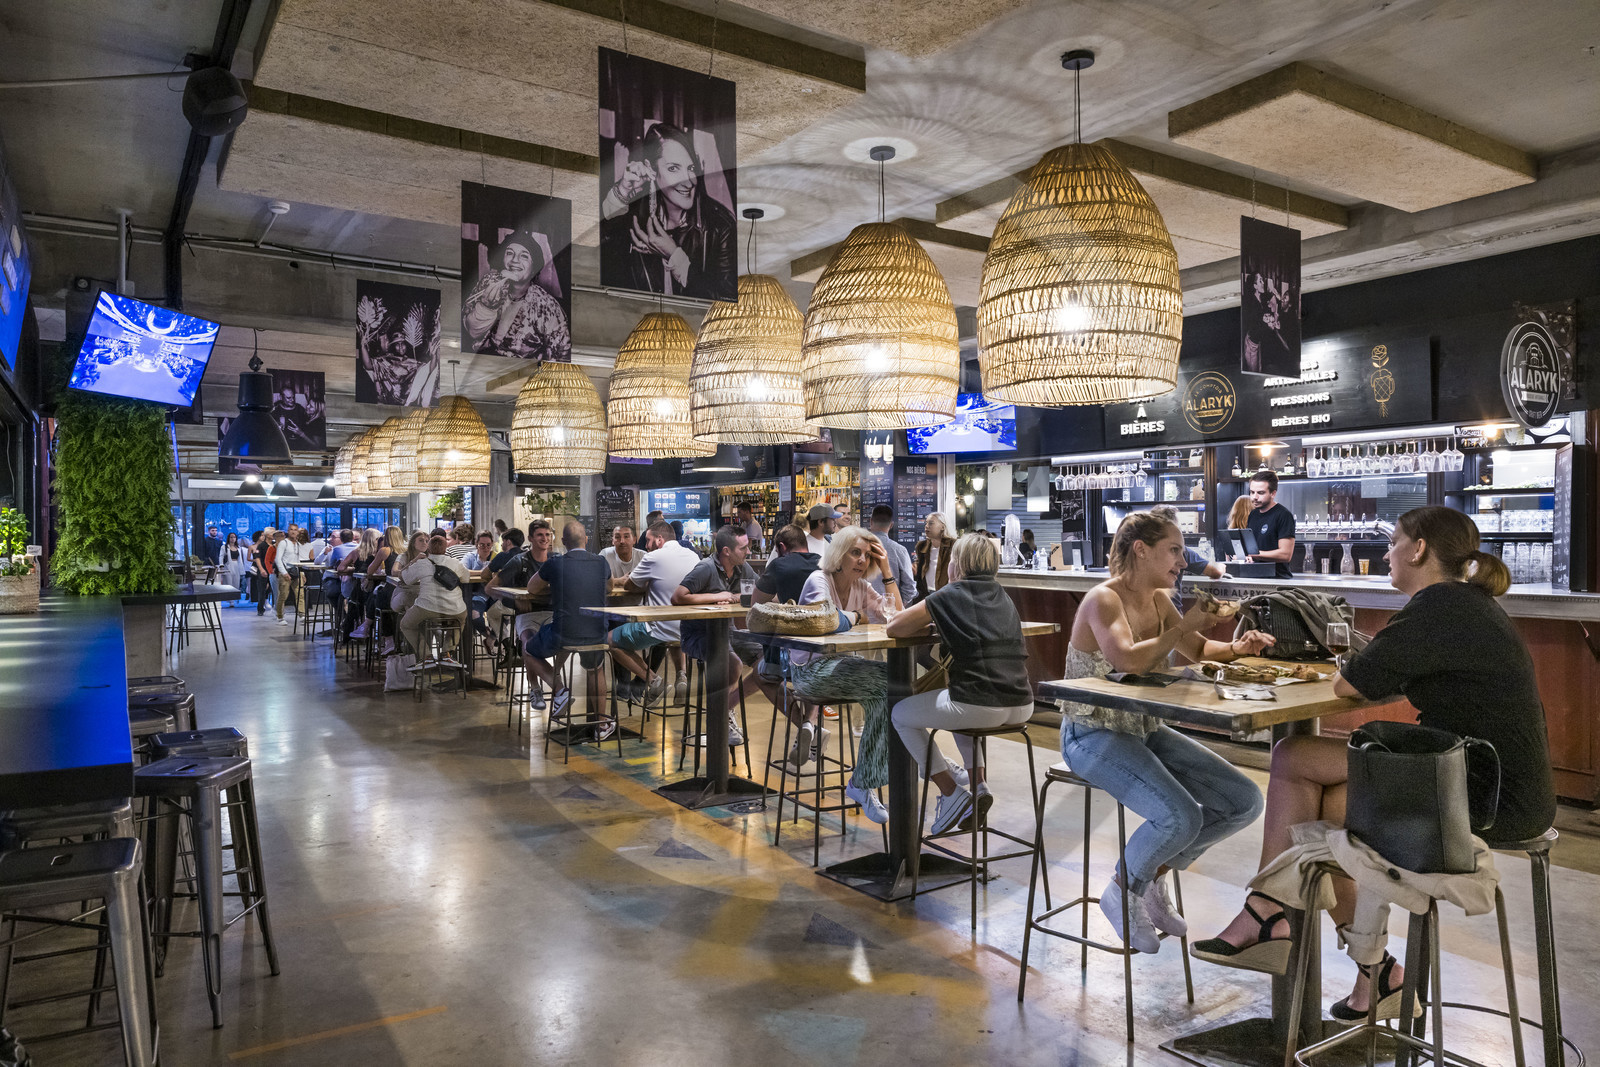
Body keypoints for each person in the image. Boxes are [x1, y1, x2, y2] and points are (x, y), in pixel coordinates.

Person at [1194, 507, 1556, 1021]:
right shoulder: (1465, 604)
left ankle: (1267, 911)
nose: (1386, 553)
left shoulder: (1438, 607)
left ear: (1419, 549)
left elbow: (1349, 685)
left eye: (1394, 542)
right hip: (1506, 790)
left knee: (1292, 754)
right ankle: (1377, 972)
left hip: (1482, 796)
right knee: (1338, 802)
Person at [1057, 511, 1275, 954]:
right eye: (1174, 550)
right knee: (1181, 816)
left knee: (1244, 801)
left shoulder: (1157, 599)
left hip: (1142, 728)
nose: (1182, 559)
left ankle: (1147, 876)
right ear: (1142, 549)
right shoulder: (1104, 599)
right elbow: (1127, 660)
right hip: (1089, 732)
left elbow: (1195, 650)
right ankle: (1123, 889)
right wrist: (1184, 624)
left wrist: (1237, 647)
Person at [889, 533, 1034, 833]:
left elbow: (895, 626)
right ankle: (979, 787)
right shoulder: (1002, 595)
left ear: (958, 565)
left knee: (900, 714)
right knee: (956, 703)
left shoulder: (951, 594)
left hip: (980, 704)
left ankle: (951, 792)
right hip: (1021, 704)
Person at [788, 527, 904, 822]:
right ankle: (866, 782)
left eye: (868, 555)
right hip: (809, 673)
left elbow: (897, 616)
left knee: (893, 684)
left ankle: (865, 782)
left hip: (841, 667)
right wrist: (856, 617)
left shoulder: (862, 587)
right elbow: (826, 619)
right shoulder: (819, 579)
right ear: (839, 554)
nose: (863, 560)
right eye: (856, 553)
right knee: (889, 681)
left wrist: (888, 570)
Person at [672, 526, 784, 745]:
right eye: (743, 548)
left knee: (770, 662)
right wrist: (715, 597)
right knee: (733, 663)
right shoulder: (705, 568)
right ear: (726, 551)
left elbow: (763, 595)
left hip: (730, 631)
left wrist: (737, 597)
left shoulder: (743, 569)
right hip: (698, 635)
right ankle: (722, 716)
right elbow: (678, 597)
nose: (748, 552)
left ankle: (723, 709)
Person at [599, 122, 736, 299]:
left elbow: (726, 303)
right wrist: (623, 191)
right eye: (673, 168)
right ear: (652, 170)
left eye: (690, 168)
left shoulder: (720, 226)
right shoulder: (636, 215)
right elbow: (600, 255)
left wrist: (675, 256)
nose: (689, 181)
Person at [523, 522, 613, 735]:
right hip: (596, 632)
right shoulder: (601, 562)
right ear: (587, 540)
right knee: (596, 668)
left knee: (528, 649)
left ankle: (560, 689)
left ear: (563, 542)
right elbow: (609, 587)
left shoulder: (556, 563)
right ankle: (601, 725)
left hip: (563, 633)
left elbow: (531, 588)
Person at [751, 524, 825, 769]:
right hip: (827, 654)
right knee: (812, 672)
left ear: (781, 547)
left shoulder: (779, 565)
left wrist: (779, 598)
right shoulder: (825, 563)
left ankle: (805, 725)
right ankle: (811, 725)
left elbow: (756, 604)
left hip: (789, 653)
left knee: (762, 675)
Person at [611, 520, 698, 706]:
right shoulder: (693, 557)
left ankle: (653, 681)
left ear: (660, 540)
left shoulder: (653, 557)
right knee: (675, 629)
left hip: (659, 629)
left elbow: (630, 586)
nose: (646, 545)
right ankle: (682, 676)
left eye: (649, 541)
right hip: (689, 630)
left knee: (609, 640)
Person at [461, 230, 571, 360]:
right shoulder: (489, 282)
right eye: (509, 253)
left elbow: (563, 354)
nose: (514, 260)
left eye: (524, 256)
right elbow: (470, 332)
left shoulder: (547, 307)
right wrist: (486, 307)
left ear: (534, 267)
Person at [398, 535, 469, 667]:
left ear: (428, 548)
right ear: (446, 548)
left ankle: (426, 655)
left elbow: (405, 578)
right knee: (461, 620)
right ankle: (447, 653)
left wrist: (412, 562)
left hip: (426, 608)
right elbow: (466, 578)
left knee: (406, 624)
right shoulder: (455, 563)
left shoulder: (422, 563)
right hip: (455, 609)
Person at [1149, 506, 1226, 580]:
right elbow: (1215, 572)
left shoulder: (1143, 549)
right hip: (1171, 594)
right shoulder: (1182, 551)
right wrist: (1221, 566)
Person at [1246, 469, 1297, 579]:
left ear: (1273, 493)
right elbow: (1251, 549)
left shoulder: (1283, 515)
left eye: (1260, 493)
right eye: (1252, 492)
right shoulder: (1253, 514)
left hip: (1278, 581)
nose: (1255, 497)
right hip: (1255, 578)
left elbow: (1285, 554)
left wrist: (1254, 555)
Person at [866, 505, 917, 606]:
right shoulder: (899, 550)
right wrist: (897, 604)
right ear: (891, 525)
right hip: (890, 612)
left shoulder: (858, 547)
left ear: (871, 521)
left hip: (861, 611)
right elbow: (910, 587)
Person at [913, 512, 955, 601]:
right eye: (926, 523)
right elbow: (919, 571)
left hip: (946, 595)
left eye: (931, 523)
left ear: (943, 526)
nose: (927, 526)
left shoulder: (954, 545)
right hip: (925, 594)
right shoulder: (921, 546)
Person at [271, 530, 295, 626]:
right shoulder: (272, 547)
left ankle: (280, 612)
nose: (281, 537)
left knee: (284, 593)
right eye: (279, 536)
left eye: (282, 535)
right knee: (280, 594)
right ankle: (279, 614)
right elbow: (269, 560)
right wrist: (270, 570)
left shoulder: (287, 545)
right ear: (275, 537)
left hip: (287, 571)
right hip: (276, 572)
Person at [218, 532, 249, 606]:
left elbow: (240, 560)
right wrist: (221, 565)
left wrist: (242, 570)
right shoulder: (224, 547)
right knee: (229, 583)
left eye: (234, 537)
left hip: (236, 566)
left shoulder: (238, 548)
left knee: (236, 583)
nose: (233, 539)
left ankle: (233, 599)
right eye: (231, 537)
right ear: (228, 538)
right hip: (228, 566)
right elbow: (221, 557)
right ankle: (230, 600)